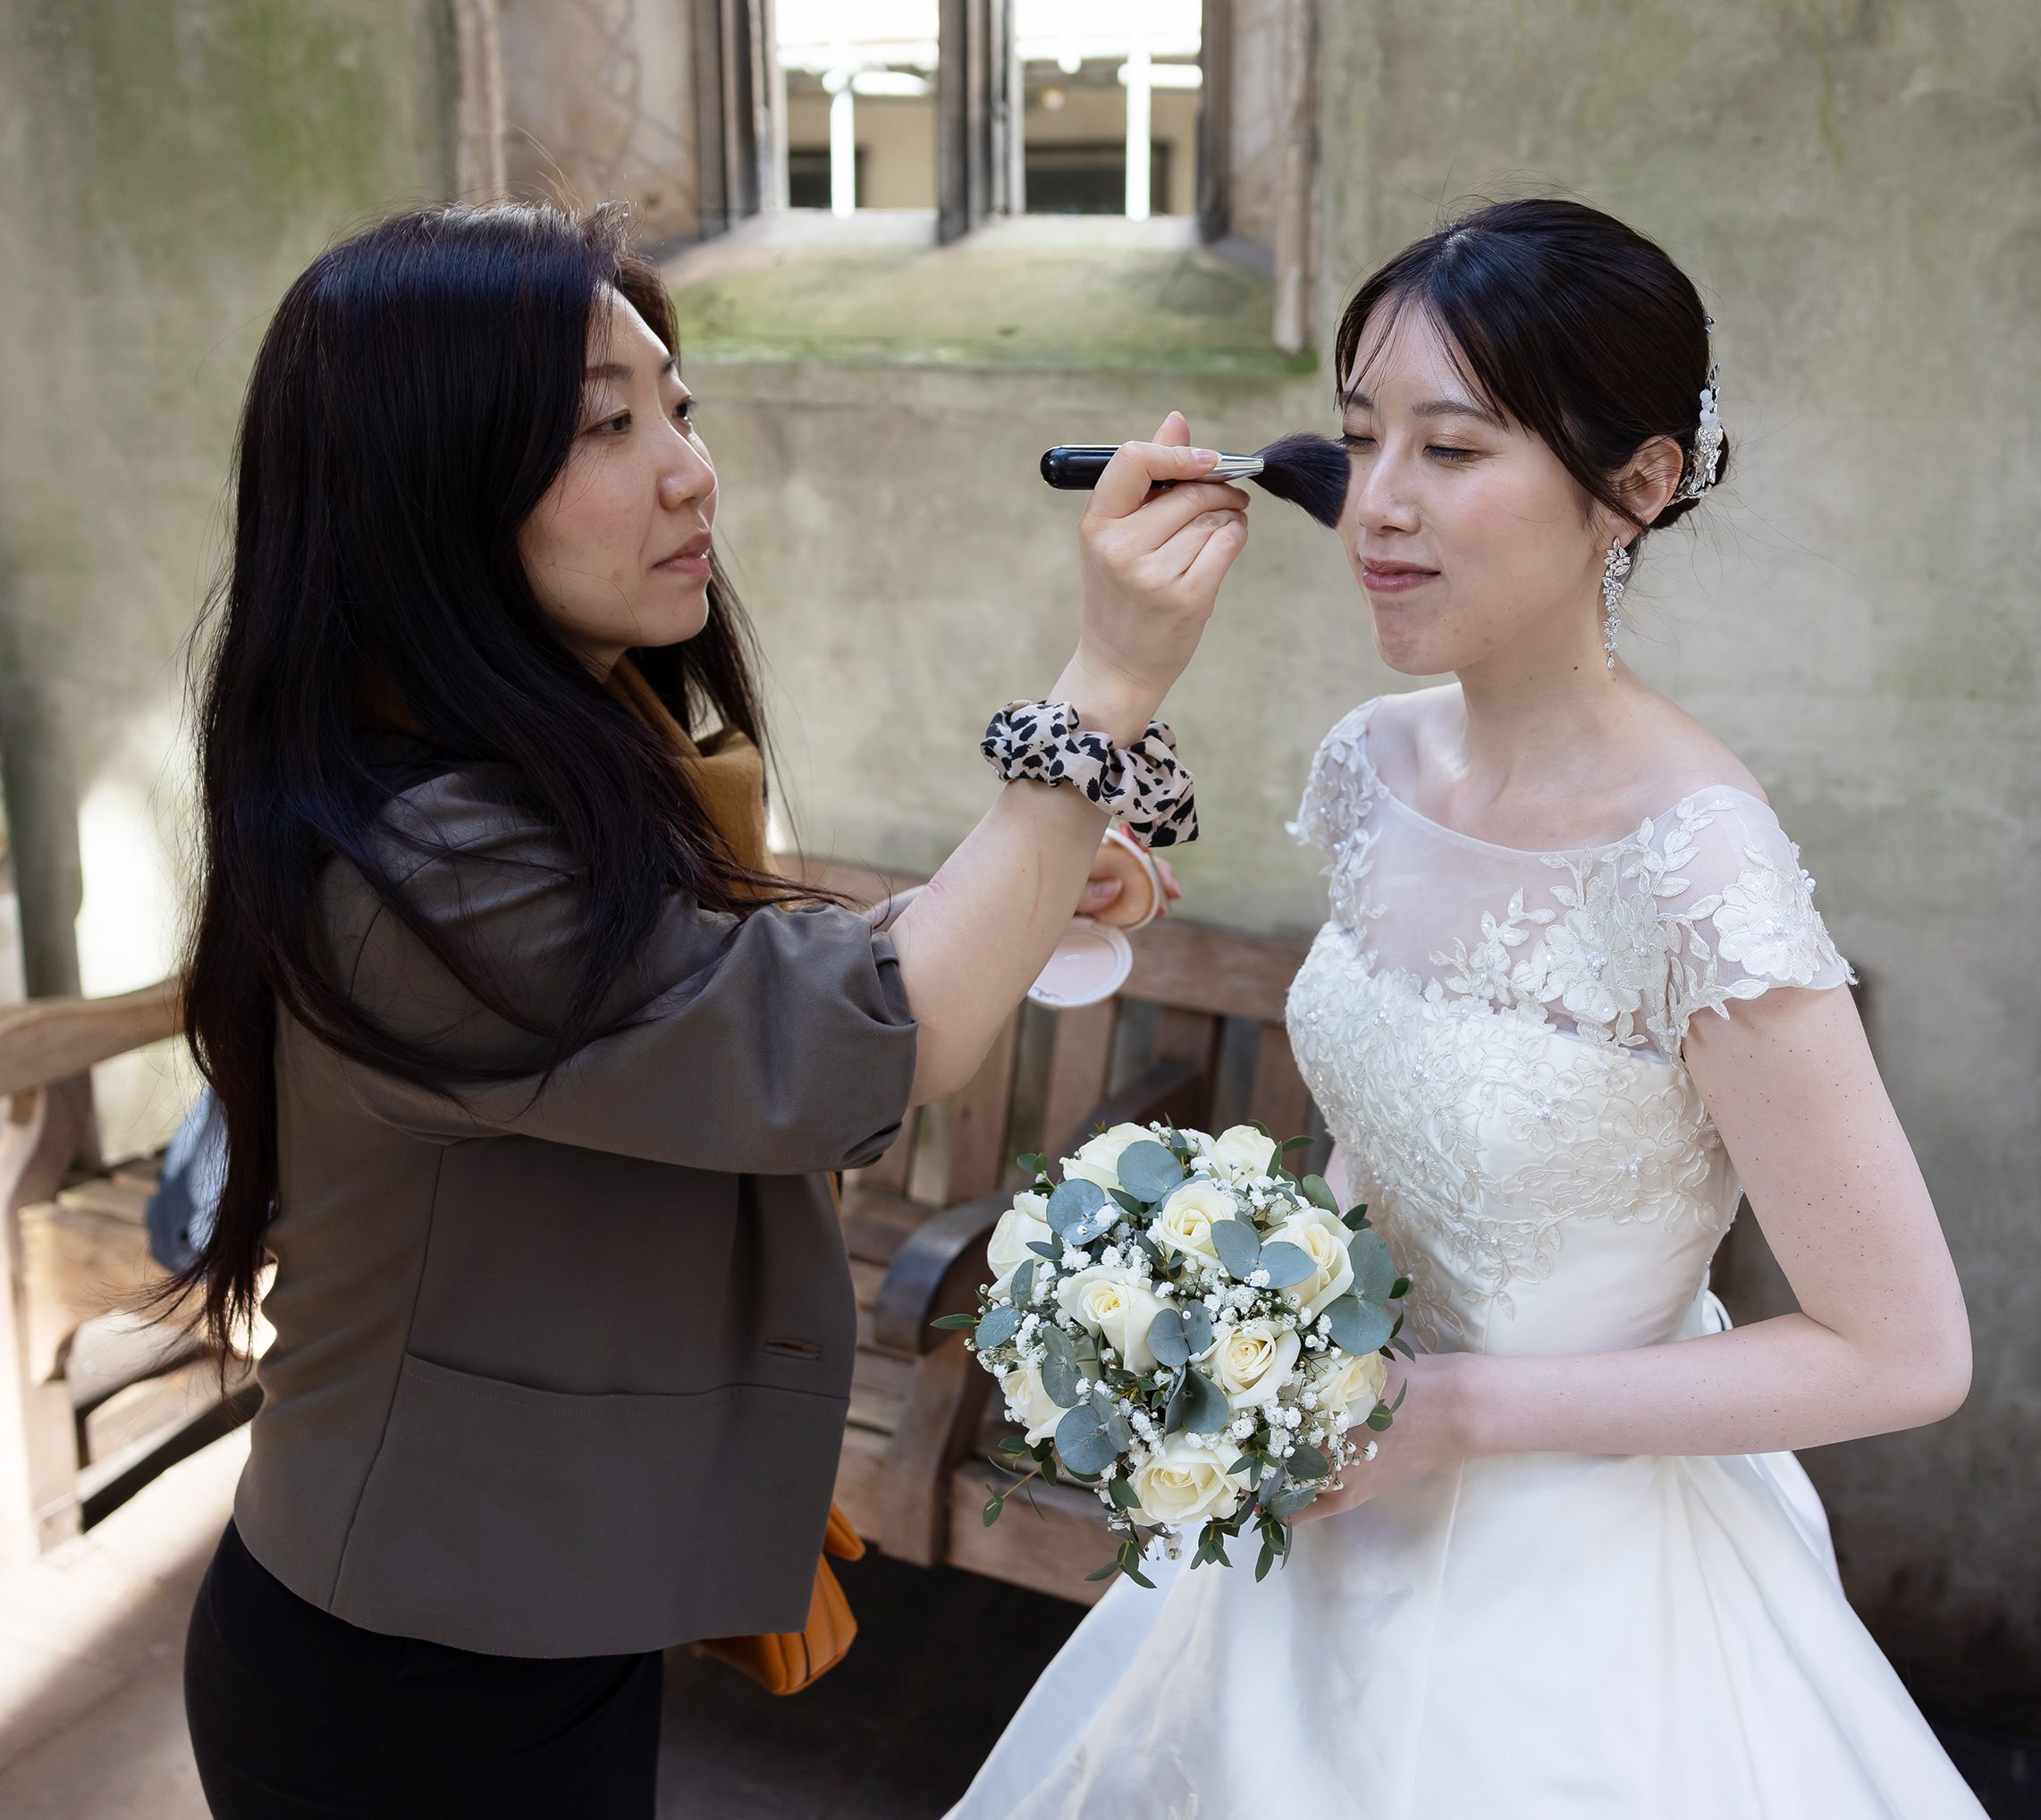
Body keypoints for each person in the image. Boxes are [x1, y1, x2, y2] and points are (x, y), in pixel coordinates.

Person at [174, 200, 1248, 1818]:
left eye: (679, 407)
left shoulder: (536, 767)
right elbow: (868, 1036)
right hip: (405, 1669)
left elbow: (709, 998)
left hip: (528, 1616)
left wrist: (1013, 885)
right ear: (426, 486)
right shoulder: (421, 860)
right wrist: (1104, 693)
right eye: (608, 422)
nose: (690, 470)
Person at [948, 199, 1986, 1818]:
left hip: (1574, 1596)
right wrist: (1242, 1312)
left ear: (1635, 489)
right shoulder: (1373, 763)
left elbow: (1903, 1349)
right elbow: (1378, 1149)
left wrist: (1458, 1412)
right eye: (1362, 440)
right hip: (1321, 1517)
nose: (1376, 508)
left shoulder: (1698, 857)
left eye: (1453, 450)